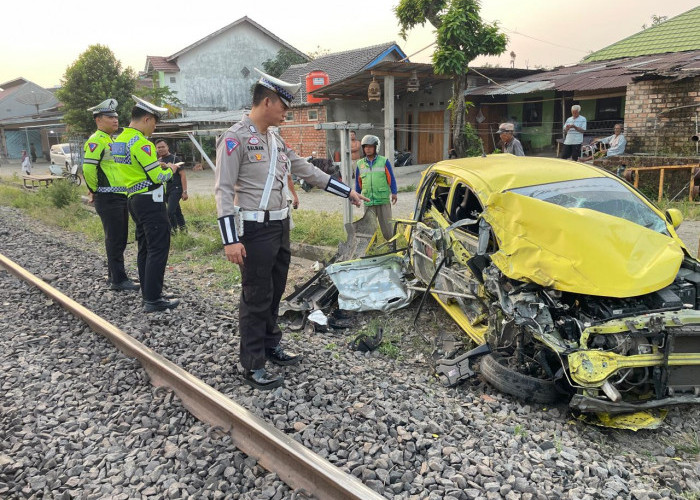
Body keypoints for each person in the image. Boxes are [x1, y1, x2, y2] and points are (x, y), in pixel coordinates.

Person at [215, 68, 368, 390]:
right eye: (284, 105)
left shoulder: (275, 139)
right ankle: (252, 363)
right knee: (255, 297)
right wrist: (230, 240)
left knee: (274, 292)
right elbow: (223, 190)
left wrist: (347, 192)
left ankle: (271, 345)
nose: (287, 112)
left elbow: (307, 171)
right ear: (268, 102)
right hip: (253, 231)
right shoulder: (234, 139)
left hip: (280, 225)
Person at [112, 95, 181, 312]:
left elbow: (135, 168)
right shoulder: (142, 143)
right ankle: (153, 299)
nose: (154, 129)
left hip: (133, 198)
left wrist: (155, 166)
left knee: (144, 248)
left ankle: (149, 291)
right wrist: (170, 169)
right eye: (154, 123)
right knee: (158, 248)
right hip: (150, 199)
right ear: (148, 119)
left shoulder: (119, 141)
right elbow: (157, 178)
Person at [82, 98, 139, 292]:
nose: (115, 120)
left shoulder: (110, 140)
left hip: (119, 196)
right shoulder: (96, 141)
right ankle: (118, 280)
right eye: (109, 117)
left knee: (118, 238)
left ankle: (115, 275)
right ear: (98, 120)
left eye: (116, 117)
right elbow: (88, 169)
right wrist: (96, 190)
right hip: (109, 197)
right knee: (115, 238)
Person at [354, 135, 398, 241]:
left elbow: (391, 178)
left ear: (376, 147)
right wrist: (356, 196)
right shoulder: (360, 164)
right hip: (368, 201)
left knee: (387, 228)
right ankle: (372, 248)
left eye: (370, 146)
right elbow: (358, 182)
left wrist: (394, 192)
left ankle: (391, 247)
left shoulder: (384, 161)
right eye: (365, 147)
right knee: (369, 228)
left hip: (382, 200)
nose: (367, 149)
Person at [155, 139, 188, 233]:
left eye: (163, 147)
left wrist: (184, 191)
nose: (161, 149)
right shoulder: (158, 161)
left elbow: (183, 175)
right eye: (158, 147)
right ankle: (184, 230)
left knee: (169, 212)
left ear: (167, 147)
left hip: (176, 188)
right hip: (166, 190)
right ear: (156, 149)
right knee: (177, 211)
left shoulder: (175, 159)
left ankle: (173, 231)